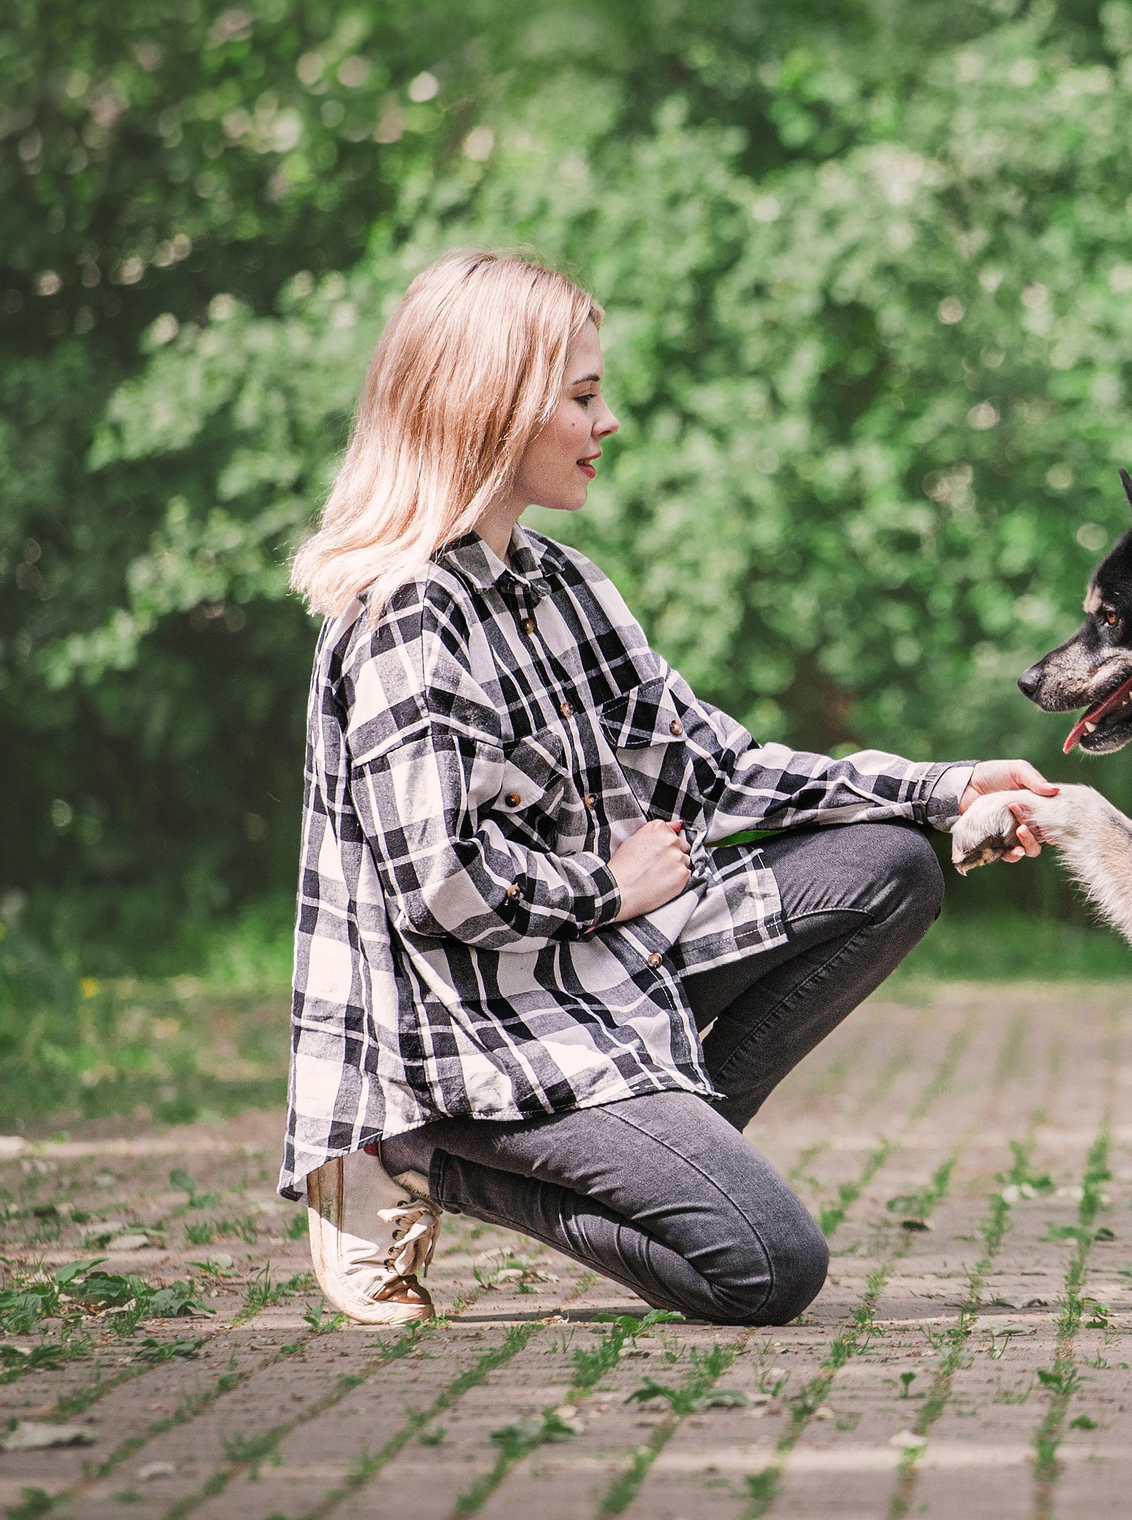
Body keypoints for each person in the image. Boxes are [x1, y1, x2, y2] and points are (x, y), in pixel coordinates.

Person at [277, 249, 1052, 1326]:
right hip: (476, 1038)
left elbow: (717, 771)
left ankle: (666, 1146)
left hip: (596, 985)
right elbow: (439, 883)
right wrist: (611, 887)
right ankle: (426, 1157)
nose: (609, 422)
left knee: (890, 867)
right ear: (488, 407)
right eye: (584, 396)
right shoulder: (410, 614)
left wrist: (943, 786)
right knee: (767, 1266)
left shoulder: (563, 587)